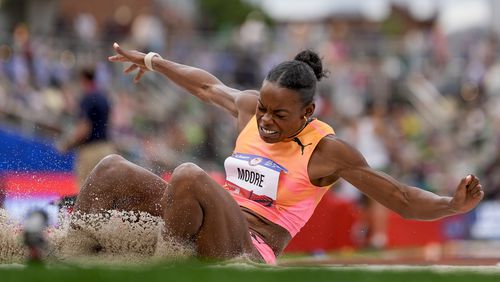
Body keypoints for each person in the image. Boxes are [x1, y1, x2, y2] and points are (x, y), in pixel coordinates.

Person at [71, 42, 484, 265]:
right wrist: (151, 59)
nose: (265, 121)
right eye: (263, 109)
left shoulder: (327, 152)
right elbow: (206, 86)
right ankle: (71, 254)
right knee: (111, 169)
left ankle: (165, 268)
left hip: (248, 249)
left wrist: (451, 204)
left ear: (308, 112)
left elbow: (402, 199)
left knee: (189, 175)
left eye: (279, 115)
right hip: (198, 222)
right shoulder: (252, 109)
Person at [58, 67, 115, 197]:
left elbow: (84, 128)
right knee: (104, 192)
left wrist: (67, 144)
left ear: (83, 79)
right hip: (106, 149)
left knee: (85, 192)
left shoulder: (88, 98)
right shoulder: (103, 97)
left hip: (90, 152)